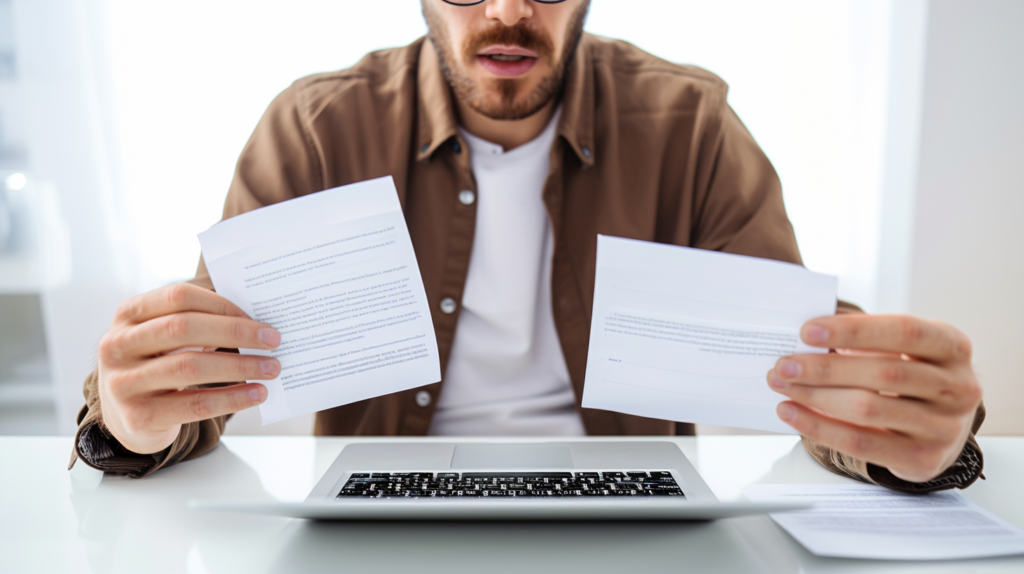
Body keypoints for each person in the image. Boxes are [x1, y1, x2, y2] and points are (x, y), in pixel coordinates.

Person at [69, 0, 984, 491]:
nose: (507, 11)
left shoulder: (690, 124)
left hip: (632, 525)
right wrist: (127, 422)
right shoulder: (316, 129)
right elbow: (204, 382)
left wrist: (912, 445)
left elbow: (800, 368)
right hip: (382, 527)